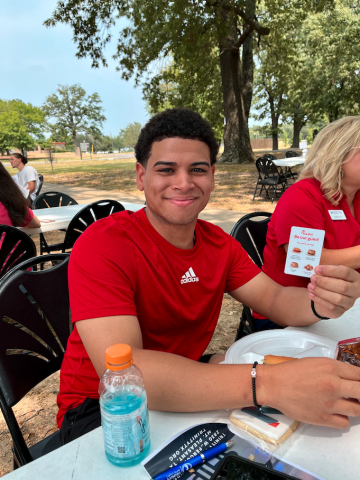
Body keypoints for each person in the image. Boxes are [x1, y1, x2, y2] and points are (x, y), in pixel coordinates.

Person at [57, 109, 360, 445]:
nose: (184, 183)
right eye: (166, 170)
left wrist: (324, 300)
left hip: (182, 380)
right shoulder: (103, 244)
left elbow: (274, 299)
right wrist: (270, 384)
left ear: (212, 176)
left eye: (197, 170)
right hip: (100, 410)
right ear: (141, 176)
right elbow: (127, 372)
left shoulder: (218, 243)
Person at [255, 116, 360, 330]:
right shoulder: (303, 196)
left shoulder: (355, 196)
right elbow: (307, 261)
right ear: (339, 153)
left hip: (345, 304)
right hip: (290, 313)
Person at [0, 163, 41, 228]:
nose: (10, 161)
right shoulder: (10, 201)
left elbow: (32, 187)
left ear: (19, 160)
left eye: (12, 159)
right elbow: (36, 224)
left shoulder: (28, 170)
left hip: (29, 197)